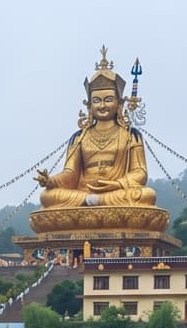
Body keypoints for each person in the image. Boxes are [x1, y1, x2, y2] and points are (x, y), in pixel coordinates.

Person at [35, 49, 158, 210]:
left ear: (119, 103)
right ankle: (92, 201)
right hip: (83, 193)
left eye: (108, 100)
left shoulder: (131, 135)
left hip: (116, 192)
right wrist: (51, 181)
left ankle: (95, 202)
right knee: (47, 197)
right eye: (96, 101)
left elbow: (140, 172)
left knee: (147, 195)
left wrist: (117, 184)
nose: (102, 106)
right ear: (89, 105)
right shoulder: (79, 137)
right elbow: (70, 174)